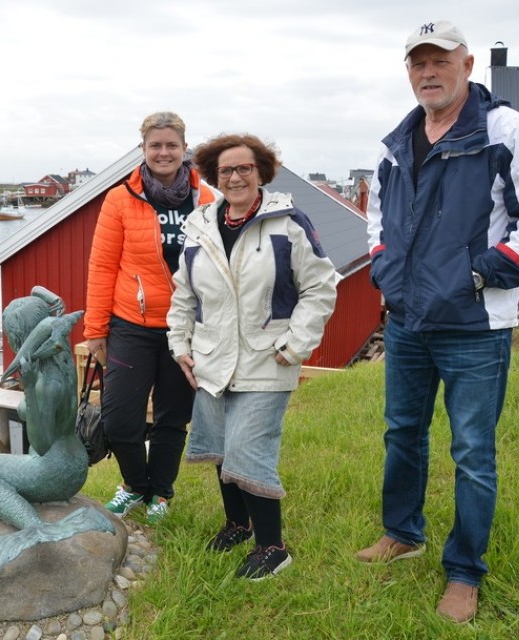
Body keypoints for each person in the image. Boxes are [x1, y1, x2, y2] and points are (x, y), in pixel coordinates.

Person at [357, 20, 519, 623]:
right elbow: (377, 223)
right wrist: (384, 273)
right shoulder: (394, 143)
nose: (429, 72)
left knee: (472, 451)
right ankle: (403, 532)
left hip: (475, 325)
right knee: (402, 434)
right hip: (408, 322)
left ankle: (465, 572)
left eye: (440, 60)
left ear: (467, 64)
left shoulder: (504, 130)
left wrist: (478, 276)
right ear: (408, 71)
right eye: (418, 62)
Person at [167, 133, 338, 580]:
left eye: (245, 168)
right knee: (222, 445)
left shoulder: (287, 222)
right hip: (211, 358)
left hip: (269, 357)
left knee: (249, 448)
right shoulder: (200, 226)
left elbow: (320, 287)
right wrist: (179, 345)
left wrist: (297, 344)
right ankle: (238, 524)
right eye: (226, 170)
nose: (236, 176)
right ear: (213, 176)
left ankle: (273, 547)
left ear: (261, 171)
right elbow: (184, 294)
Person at [83, 112, 215, 525]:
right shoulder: (121, 199)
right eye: (155, 145)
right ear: (143, 149)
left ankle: (160, 492)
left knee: (173, 418)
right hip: (131, 325)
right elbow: (102, 266)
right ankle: (134, 484)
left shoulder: (206, 199)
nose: (163, 152)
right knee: (120, 418)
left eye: (171, 145)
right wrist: (94, 330)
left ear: (183, 149)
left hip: (186, 329)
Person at [0, 286, 114, 583]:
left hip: (54, 469)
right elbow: (51, 301)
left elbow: (41, 443)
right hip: (71, 459)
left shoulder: (45, 383)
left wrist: (32, 390)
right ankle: (29, 515)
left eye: (12, 339)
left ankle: (34, 527)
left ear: (21, 339)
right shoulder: (58, 354)